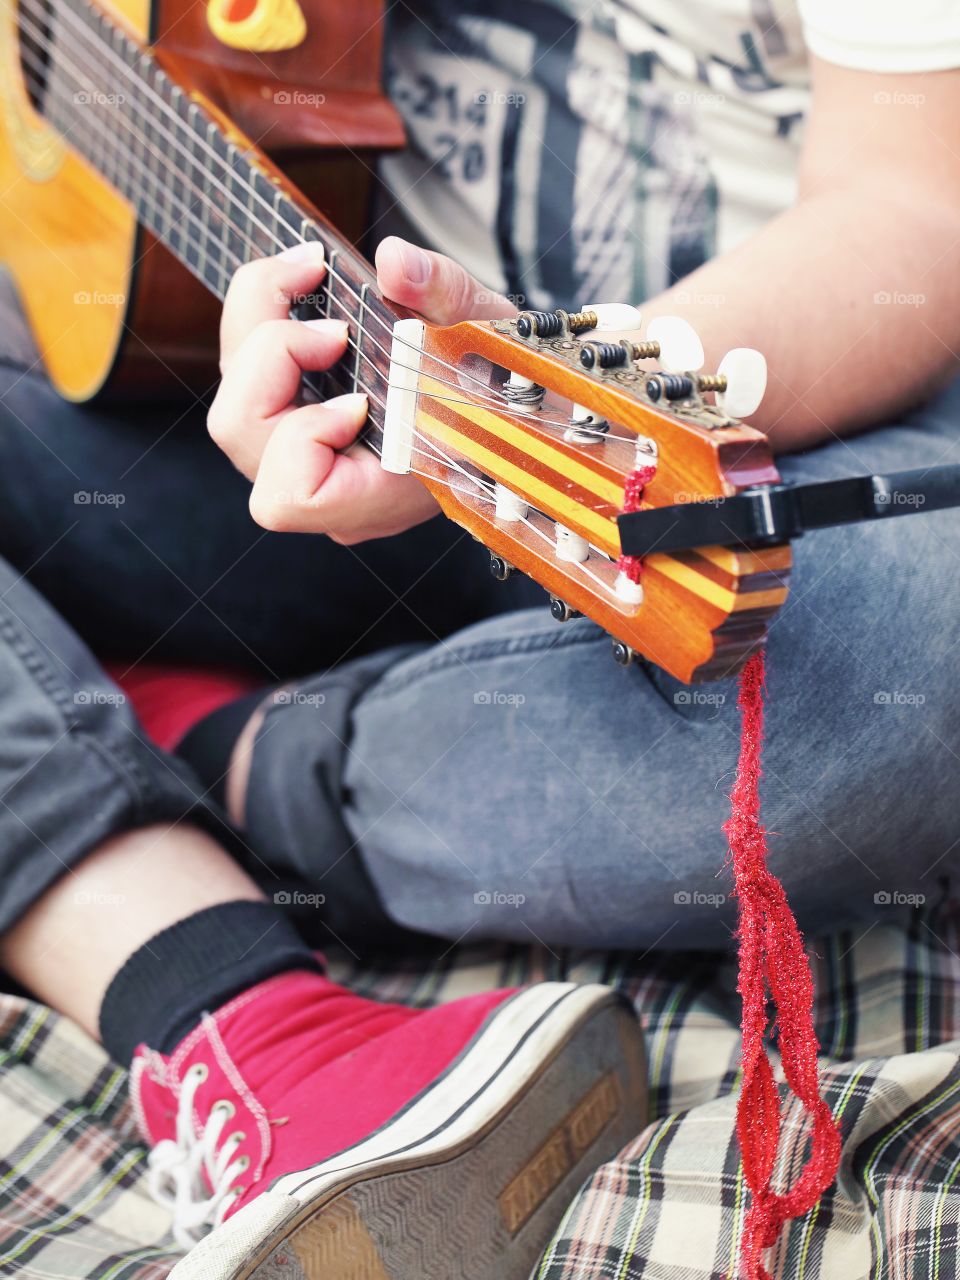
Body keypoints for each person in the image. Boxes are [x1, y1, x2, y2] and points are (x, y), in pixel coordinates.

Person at [0, 0, 958, 1275]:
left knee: (909, 672)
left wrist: (567, 393)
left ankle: (225, 751)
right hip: (298, 409)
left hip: (720, 441)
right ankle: (233, 1005)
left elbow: (916, 212)